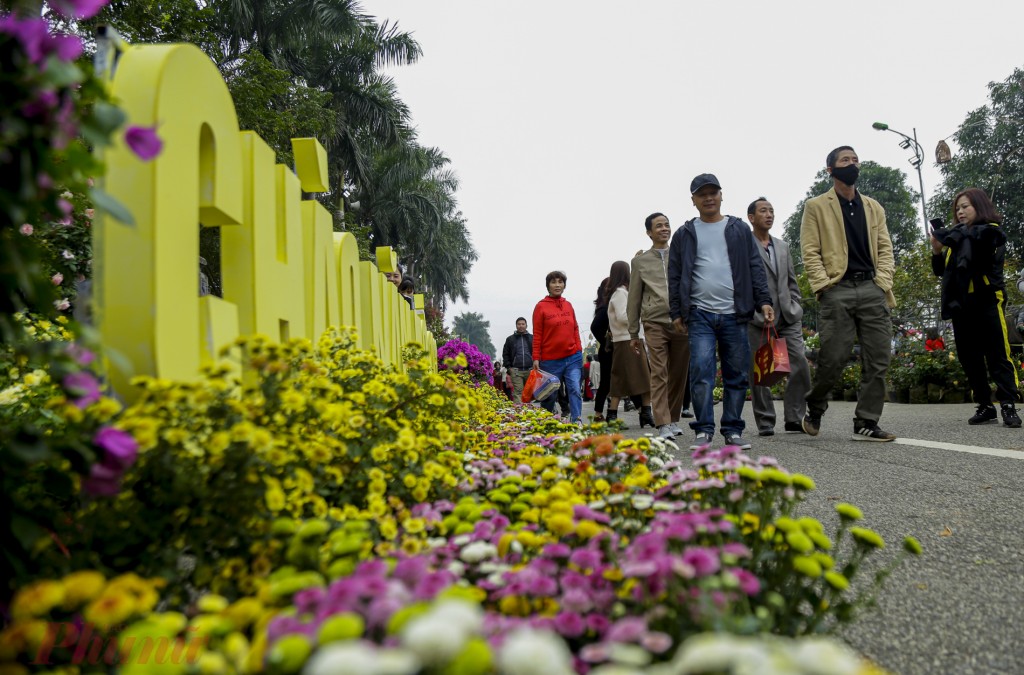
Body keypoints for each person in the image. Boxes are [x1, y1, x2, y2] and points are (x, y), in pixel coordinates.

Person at [668, 174, 774, 450]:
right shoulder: (684, 234)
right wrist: (676, 312)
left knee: (736, 374)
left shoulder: (738, 229)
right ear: (693, 200)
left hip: (735, 313)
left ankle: (732, 430)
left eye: (713, 192)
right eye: (702, 194)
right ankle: (703, 430)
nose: (708, 198)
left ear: (721, 195)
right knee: (701, 371)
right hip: (700, 313)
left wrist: (764, 300)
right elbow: (675, 274)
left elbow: (755, 267)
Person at [800, 146, 897, 441]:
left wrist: (882, 281)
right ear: (830, 169)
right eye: (845, 160)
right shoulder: (816, 206)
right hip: (837, 288)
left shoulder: (873, 207)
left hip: (871, 287)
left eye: (855, 160)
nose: (852, 164)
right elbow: (810, 251)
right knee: (834, 357)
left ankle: (866, 421)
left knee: (879, 358)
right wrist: (823, 284)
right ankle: (815, 406)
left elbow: (885, 248)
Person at [930, 187, 1021, 427]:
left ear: (979, 207)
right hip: (961, 304)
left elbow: (979, 251)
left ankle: (1009, 404)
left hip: (988, 299)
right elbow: (943, 272)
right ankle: (984, 405)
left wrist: (950, 236)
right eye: (957, 208)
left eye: (965, 207)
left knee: (998, 353)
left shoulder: (990, 233)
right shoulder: (957, 237)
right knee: (969, 357)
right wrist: (937, 250)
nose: (960, 212)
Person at [745, 197, 812, 437]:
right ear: (751, 218)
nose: (769, 214)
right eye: (763, 211)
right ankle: (765, 421)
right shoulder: (744, 246)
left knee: (799, 363)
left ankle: (794, 417)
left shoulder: (782, 246)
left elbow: (792, 280)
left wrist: (795, 304)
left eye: (772, 210)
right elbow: (740, 283)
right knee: (762, 369)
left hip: (788, 316)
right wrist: (752, 313)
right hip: (757, 318)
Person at [628, 212, 689, 440]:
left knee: (678, 373)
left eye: (667, 225)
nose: (664, 229)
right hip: (654, 322)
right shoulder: (640, 262)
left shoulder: (681, 255)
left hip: (682, 321)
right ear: (649, 232)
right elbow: (634, 298)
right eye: (659, 226)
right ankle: (662, 423)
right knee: (659, 372)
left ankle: (673, 420)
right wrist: (633, 332)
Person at [606, 261, 655, 427]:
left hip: (628, 340)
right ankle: (642, 413)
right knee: (635, 379)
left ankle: (642, 413)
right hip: (628, 340)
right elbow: (622, 316)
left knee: (635, 378)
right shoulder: (620, 293)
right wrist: (641, 315)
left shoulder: (621, 292)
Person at [532, 270, 584, 424]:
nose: (557, 285)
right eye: (554, 282)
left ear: (564, 285)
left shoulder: (568, 305)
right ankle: (546, 421)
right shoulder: (541, 307)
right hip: (550, 361)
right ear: (548, 286)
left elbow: (575, 328)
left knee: (574, 388)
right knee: (549, 395)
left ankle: (577, 420)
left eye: (560, 282)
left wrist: (579, 349)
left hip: (572, 357)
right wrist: (536, 357)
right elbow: (537, 334)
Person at [502, 317, 534, 401]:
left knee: (528, 393)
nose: (521, 326)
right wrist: (509, 367)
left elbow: (537, 352)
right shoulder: (510, 339)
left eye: (523, 324)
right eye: (519, 324)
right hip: (516, 371)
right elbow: (505, 354)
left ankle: (528, 412)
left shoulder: (532, 338)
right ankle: (519, 412)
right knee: (518, 392)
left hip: (530, 370)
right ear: (516, 326)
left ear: (526, 325)